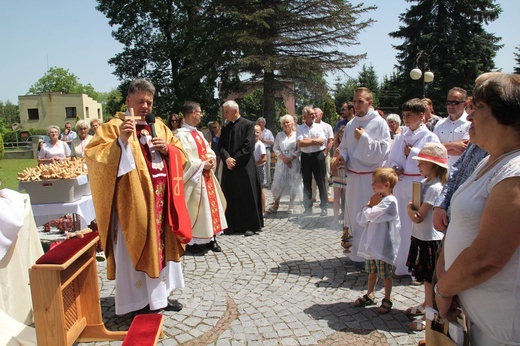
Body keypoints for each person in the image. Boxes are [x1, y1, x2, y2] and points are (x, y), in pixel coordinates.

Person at [85, 78, 191, 315]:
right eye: (141, 101)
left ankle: (160, 297)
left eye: (149, 102)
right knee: (136, 247)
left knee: (162, 249)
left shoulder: (160, 126)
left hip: (163, 204)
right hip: (133, 204)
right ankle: (136, 302)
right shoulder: (112, 127)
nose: (145, 106)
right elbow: (94, 157)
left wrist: (169, 150)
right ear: (128, 101)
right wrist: (120, 141)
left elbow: (181, 155)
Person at [435, 74, 520, 345]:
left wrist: (444, 289)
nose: (469, 116)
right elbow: (460, 222)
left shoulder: (515, 172)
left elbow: (488, 256)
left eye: (477, 107)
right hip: (475, 315)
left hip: (502, 327)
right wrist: (443, 273)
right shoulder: (489, 161)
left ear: (504, 115)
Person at [385, 99, 440, 277]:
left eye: (410, 115)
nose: (406, 119)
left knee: (416, 223)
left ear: (421, 116)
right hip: (402, 183)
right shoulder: (401, 136)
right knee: (401, 223)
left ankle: (417, 265)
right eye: (404, 115)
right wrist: (394, 167)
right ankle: (401, 263)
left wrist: (413, 153)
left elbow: (435, 159)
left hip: (419, 185)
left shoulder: (429, 136)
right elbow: (392, 158)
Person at [337, 87, 391, 264]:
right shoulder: (351, 123)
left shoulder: (379, 123)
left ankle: (371, 254)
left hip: (371, 179)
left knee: (370, 216)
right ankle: (355, 253)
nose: (356, 104)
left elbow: (383, 151)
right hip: (353, 178)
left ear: (370, 102)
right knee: (354, 215)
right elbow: (344, 148)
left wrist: (364, 138)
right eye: (354, 101)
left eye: (360, 101)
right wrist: (341, 158)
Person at [405, 142, 448, 331]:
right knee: (424, 277)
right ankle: (426, 303)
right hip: (420, 236)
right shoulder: (424, 183)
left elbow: (418, 216)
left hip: (430, 238)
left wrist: (407, 208)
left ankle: (430, 314)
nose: (418, 165)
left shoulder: (435, 187)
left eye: (423, 162)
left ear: (434, 165)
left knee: (430, 279)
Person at [176, 101, 227, 254]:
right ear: (192, 113)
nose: (201, 115)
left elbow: (208, 150)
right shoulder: (180, 135)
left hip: (206, 177)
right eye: (199, 112)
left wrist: (210, 160)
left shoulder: (198, 133)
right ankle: (193, 242)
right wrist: (201, 164)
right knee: (196, 210)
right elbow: (183, 158)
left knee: (212, 209)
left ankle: (211, 239)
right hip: (194, 179)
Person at [354, 167, 400, 315]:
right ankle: (370, 293)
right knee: (372, 272)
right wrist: (369, 207)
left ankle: (387, 298)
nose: (372, 185)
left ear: (386, 184)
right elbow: (361, 219)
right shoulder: (378, 199)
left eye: (375, 182)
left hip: (383, 244)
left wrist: (368, 206)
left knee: (385, 274)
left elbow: (371, 215)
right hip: (372, 243)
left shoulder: (390, 202)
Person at [219, 100, 264, 237]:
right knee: (229, 194)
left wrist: (235, 160)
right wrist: (227, 158)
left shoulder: (248, 125)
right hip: (229, 166)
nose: (225, 114)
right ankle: (231, 225)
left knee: (247, 195)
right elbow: (221, 146)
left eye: (226, 112)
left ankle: (250, 225)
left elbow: (248, 146)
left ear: (235, 111)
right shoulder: (225, 127)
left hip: (244, 165)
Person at [267, 114, 302, 214]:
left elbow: (299, 149)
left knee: (293, 182)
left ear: (292, 123)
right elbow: (275, 148)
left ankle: (291, 205)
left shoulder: (297, 135)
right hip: (282, 162)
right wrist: (283, 159)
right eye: (284, 123)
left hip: (293, 162)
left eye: (288, 122)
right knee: (279, 182)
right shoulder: (279, 135)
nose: (286, 124)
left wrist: (290, 158)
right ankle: (276, 204)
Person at [296, 106, 328, 216]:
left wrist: (308, 141)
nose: (314, 115)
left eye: (314, 113)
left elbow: (322, 141)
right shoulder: (300, 128)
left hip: (318, 156)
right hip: (305, 157)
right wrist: (315, 141)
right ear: (305, 117)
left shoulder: (319, 127)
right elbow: (300, 143)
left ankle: (324, 207)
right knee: (306, 182)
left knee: (321, 182)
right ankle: (308, 208)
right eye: (311, 114)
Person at [434, 87, 470, 169]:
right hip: (442, 174)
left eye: (455, 103)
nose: (450, 106)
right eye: (448, 102)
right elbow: (432, 149)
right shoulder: (439, 124)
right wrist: (453, 145)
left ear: (465, 104)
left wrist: (440, 148)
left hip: (460, 174)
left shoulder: (471, 123)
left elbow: (464, 150)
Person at [312, 108, 334, 204]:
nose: (314, 115)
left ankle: (328, 195)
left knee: (326, 175)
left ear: (321, 114)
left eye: (316, 113)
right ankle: (313, 195)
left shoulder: (327, 126)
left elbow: (330, 141)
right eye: (313, 113)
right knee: (313, 176)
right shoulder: (310, 127)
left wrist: (325, 152)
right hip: (313, 154)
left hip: (325, 153)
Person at [330, 125, 347, 225]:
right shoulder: (337, 148)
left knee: (346, 197)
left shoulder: (350, 147)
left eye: (344, 135)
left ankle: (346, 218)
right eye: (340, 135)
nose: (342, 137)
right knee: (336, 197)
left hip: (346, 174)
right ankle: (335, 218)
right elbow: (333, 161)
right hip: (337, 174)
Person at [256, 117, 274, 186]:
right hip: (257, 150)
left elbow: (272, 142)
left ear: (264, 123)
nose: (261, 123)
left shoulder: (268, 132)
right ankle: (258, 181)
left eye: (262, 122)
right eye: (259, 122)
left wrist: (265, 140)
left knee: (267, 166)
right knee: (258, 165)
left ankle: (267, 182)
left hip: (266, 149)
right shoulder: (256, 131)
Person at [254, 124, 267, 216]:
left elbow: (264, 158)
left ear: (260, 133)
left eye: (257, 132)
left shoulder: (260, 144)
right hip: (253, 168)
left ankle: (263, 210)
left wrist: (254, 164)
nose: (255, 134)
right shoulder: (250, 143)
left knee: (261, 189)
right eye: (253, 132)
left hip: (259, 168)